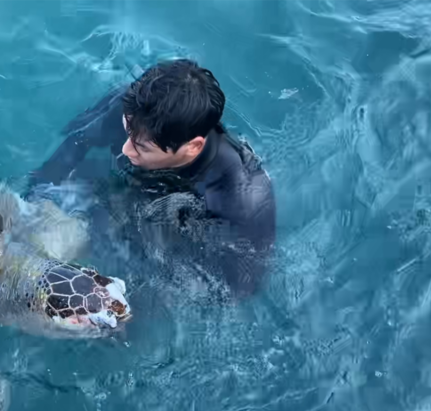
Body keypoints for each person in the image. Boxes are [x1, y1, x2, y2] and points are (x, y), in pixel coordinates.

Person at [24, 58, 276, 300]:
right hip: (126, 191)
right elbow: (76, 142)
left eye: (141, 147)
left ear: (192, 147)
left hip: (174, 234)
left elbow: (236, 289)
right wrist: (36, 197)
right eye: (127, 130)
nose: (125, 149)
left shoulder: (239, 197)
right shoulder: (135, 109)